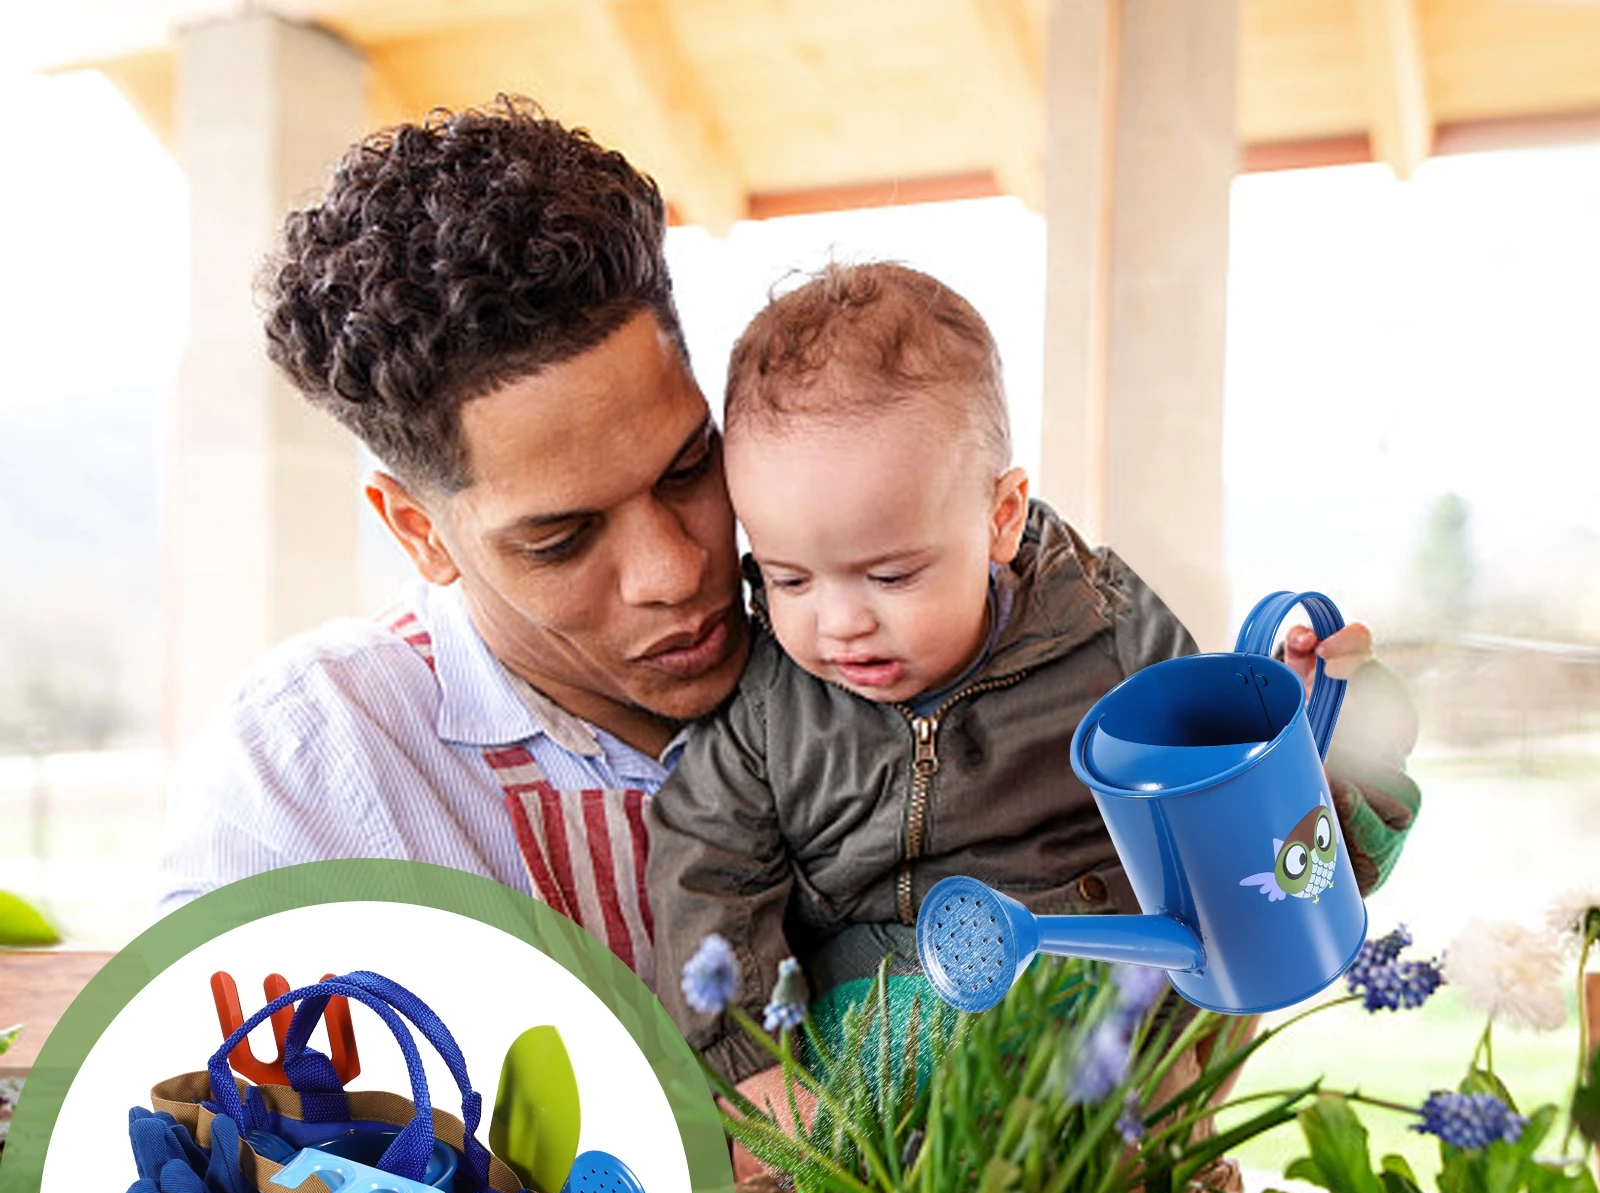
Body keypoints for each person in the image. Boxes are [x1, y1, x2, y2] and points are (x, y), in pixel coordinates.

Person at [646, 263, 1419, 1084]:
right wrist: (751, 1070)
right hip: (872, 1045)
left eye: (892, 575)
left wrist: (1296, 732)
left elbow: (1219, 787)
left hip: (1099, 1027)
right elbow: (708, 875)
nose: (838, 623)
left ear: (1000, 518)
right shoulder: (766, 702)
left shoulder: (1105, 631)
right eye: (788, 577)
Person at [159, 99, 751, 986]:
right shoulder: (304, 773)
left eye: (689, 467)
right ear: (418, 532)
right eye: (561, 538)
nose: (676, 570)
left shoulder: (879, 627)